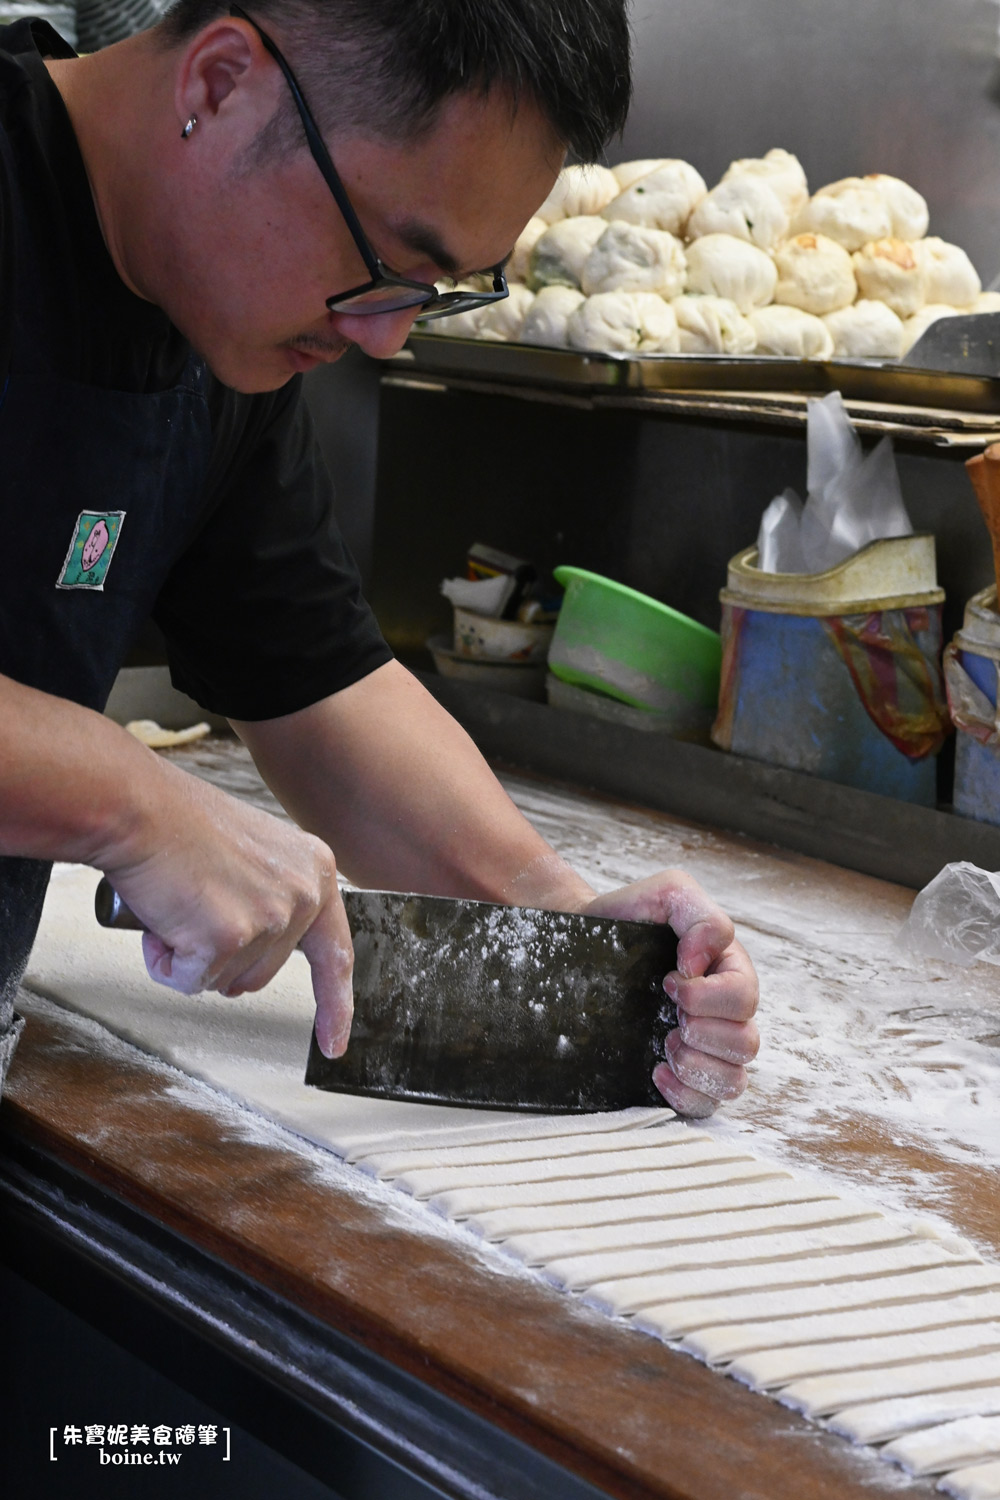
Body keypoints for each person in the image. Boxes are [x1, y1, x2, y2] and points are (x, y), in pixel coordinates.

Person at [0, 0, 759, 1117]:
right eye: (387, 262)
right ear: (218, 83)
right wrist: (130, 803)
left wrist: (550, 915)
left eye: (440, 289)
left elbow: (317, 684)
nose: (386, 336)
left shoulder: (219, 327)